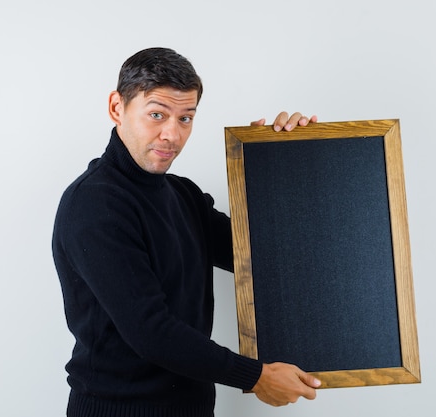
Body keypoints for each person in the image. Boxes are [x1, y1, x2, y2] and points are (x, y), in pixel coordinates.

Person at [52, 47, 320, 417]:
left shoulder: (184, 196)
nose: (172, 135)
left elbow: (266, 259)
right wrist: (256, 377)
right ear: (117, 108)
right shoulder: (95, 205)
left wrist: (276, 161)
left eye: (186, 118)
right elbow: (152, 332)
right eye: (157, 115)